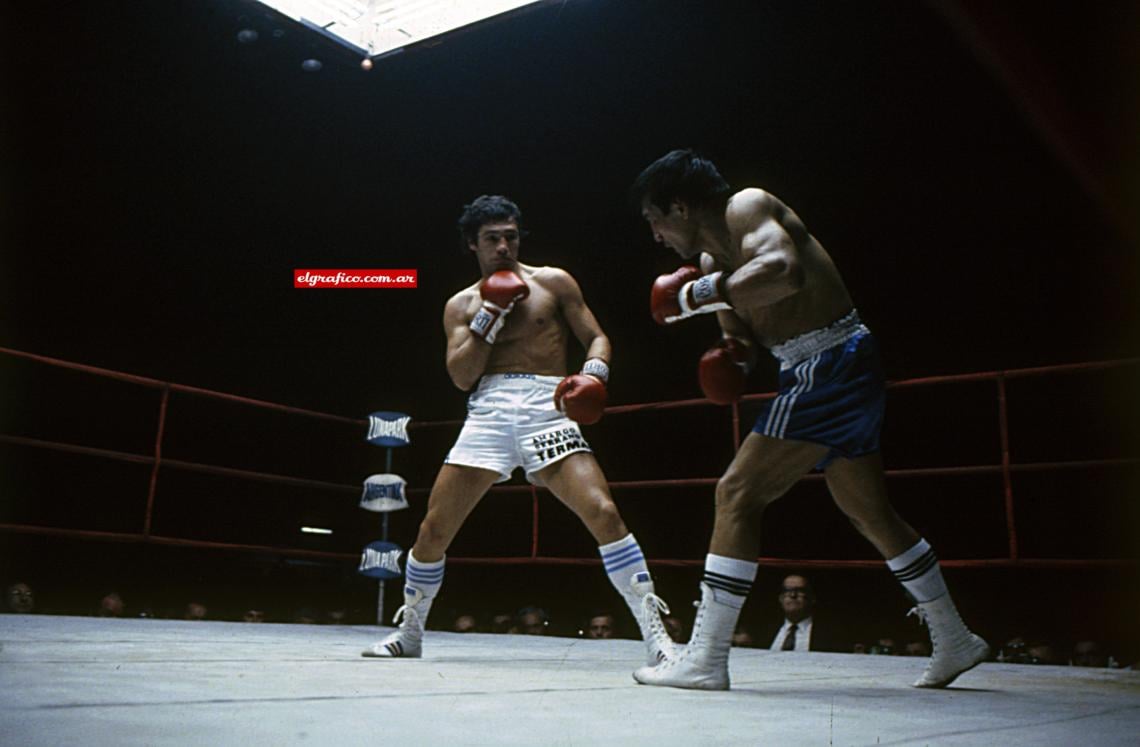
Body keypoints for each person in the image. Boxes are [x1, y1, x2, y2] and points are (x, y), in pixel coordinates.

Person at [629, 150, 989, 690]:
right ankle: (956, 637)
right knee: (869, 514)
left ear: (679, 206)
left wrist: (696, 296)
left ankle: (706, 657)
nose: (655, 236)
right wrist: (728, 358)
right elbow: (742, 344)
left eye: (654, 220)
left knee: (735, 494)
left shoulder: (746, 208)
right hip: (812, 368)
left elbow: (783, 272)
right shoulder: (709, 262)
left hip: (833, 359)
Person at [362, 195, 675, 663]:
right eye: (493, 239)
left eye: (511, 236)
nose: (504, 246)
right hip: (488, 408)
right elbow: (462, 376)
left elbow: (597, 337)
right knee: (433, 530)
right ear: (473, 245)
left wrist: (594, 375)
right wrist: (489, 316)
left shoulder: (553, 282)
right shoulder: (461, 305)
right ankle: (410, 632)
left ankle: (657, 638)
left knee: (604, 512)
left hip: (547, 406)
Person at [766, 574, 841, 652]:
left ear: (812, 598)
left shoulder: (830, 635)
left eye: (800, 590)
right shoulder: (763, 631)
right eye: (787, 591)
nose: (793, 595)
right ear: (780, 598)